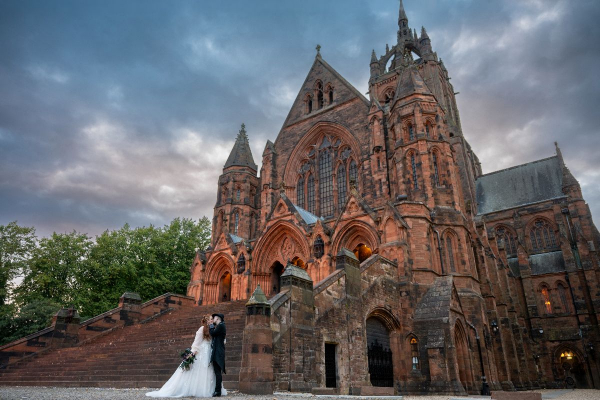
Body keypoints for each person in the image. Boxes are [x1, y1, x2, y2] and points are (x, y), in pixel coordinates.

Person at [146, 315, 227, 398]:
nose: (212, 320)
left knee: (210, 371)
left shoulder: (214, 328)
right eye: (210, 319)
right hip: (202, 352)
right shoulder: (202, 329)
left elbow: (219, 339)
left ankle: (212, 389)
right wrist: (192, 353)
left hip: (210, 352)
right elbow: (197, 342)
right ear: (207, 321)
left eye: (212, 319)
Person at [209, 313, 226, 397]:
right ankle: (217, 390)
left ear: (218, 319)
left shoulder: (221, 326)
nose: (213, 319)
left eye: (214, 318)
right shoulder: (220, 326)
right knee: (217, 372)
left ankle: (218, 391)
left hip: (218, 352)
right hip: (218, 351)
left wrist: (211, 325)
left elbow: (213, 333)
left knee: (217, 372)